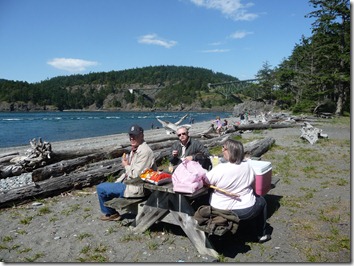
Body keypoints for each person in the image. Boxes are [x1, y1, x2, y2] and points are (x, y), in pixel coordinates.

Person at [202, 139, 271, 243]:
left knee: (207, 196)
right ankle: (261, 234)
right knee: (262, 201)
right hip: (247, 209)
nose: (222, 150)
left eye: (223, 148)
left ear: (229, 151)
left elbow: (204, 181)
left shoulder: (220, 168)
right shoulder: (247, 165)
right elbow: (252, 181)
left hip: (221, 208)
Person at [96, 124, 156, 221]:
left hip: (137, 188)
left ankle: (111, 214)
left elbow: (137, 175)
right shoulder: (135, 149)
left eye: (135, 135)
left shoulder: (145, 152)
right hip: (130, 184)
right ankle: (112, 210)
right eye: (130, 135)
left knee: (101, 188)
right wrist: (118, 181)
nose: (132, 138)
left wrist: (126, 165)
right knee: (110, 186)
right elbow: (130, 172)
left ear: (142, 135)